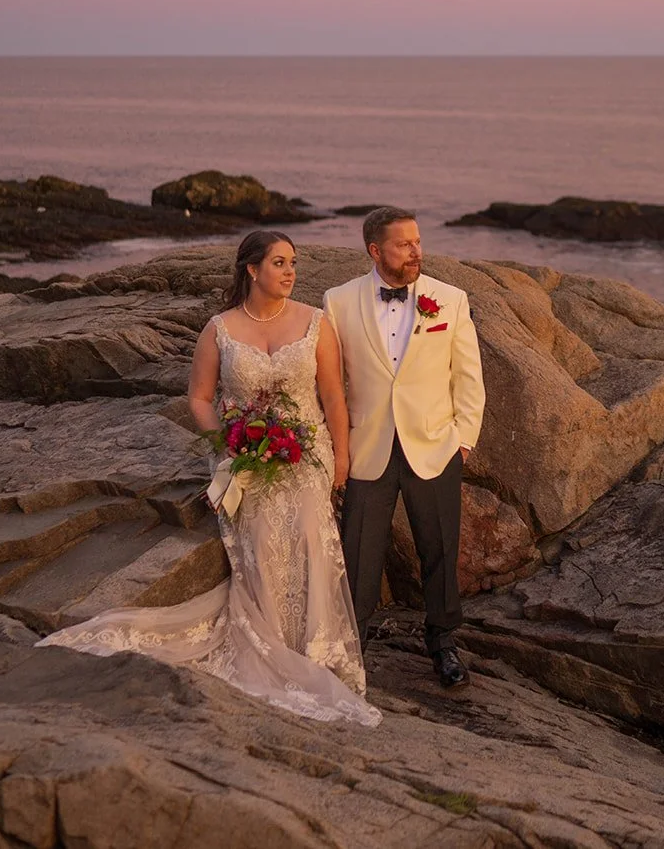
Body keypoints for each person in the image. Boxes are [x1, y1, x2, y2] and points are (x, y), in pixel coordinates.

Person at [38, 230, 380, 726]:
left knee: (307, 522)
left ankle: (315, 652)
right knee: (261, 534)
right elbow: (199, 398)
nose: (290, 273)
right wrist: (229, 441)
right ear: (252, 269)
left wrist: (341, 461)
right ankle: (270, 646)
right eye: (280, 263)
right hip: (243, 458)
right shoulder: (219, 329)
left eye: (293, 264)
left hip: (308, 453)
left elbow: (332, 399)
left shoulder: (316, 324)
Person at [323, 207, 485, 688]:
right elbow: (331, 383)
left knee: (439, 550)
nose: (416, 251)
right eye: (404, 244)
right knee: (358, 554)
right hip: (366, 446)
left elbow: (469, 376)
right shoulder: (338, 301)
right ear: (375, 250)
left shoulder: (449, 299)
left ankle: (443, 644)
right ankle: (354, 645)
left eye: (417, 241)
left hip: (435, 446)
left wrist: (464, 440)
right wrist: (338, 448)